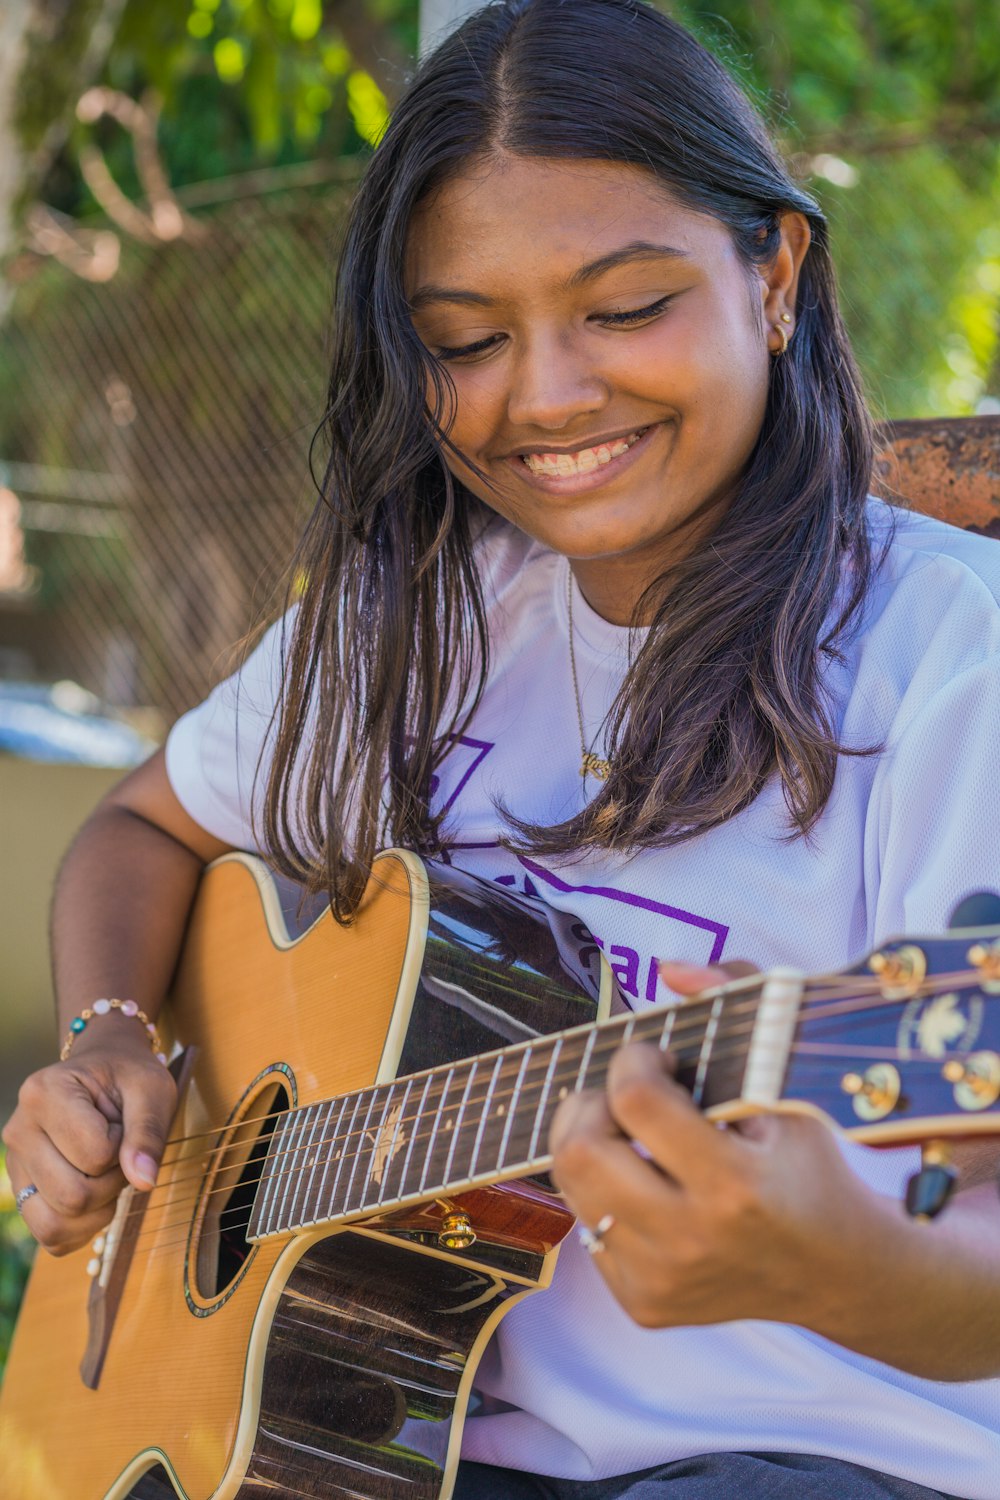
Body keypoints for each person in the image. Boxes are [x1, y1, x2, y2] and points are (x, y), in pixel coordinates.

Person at [5, 1, 1000, 1495]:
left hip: (810, 1452)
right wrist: (110, 1039)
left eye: (624, 308)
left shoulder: (947, 665)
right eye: (467, 339)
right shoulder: (411, 615)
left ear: (776, 274)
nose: (547, 394)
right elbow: (146, 830)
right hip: (380, 1445)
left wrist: (841, 1265)